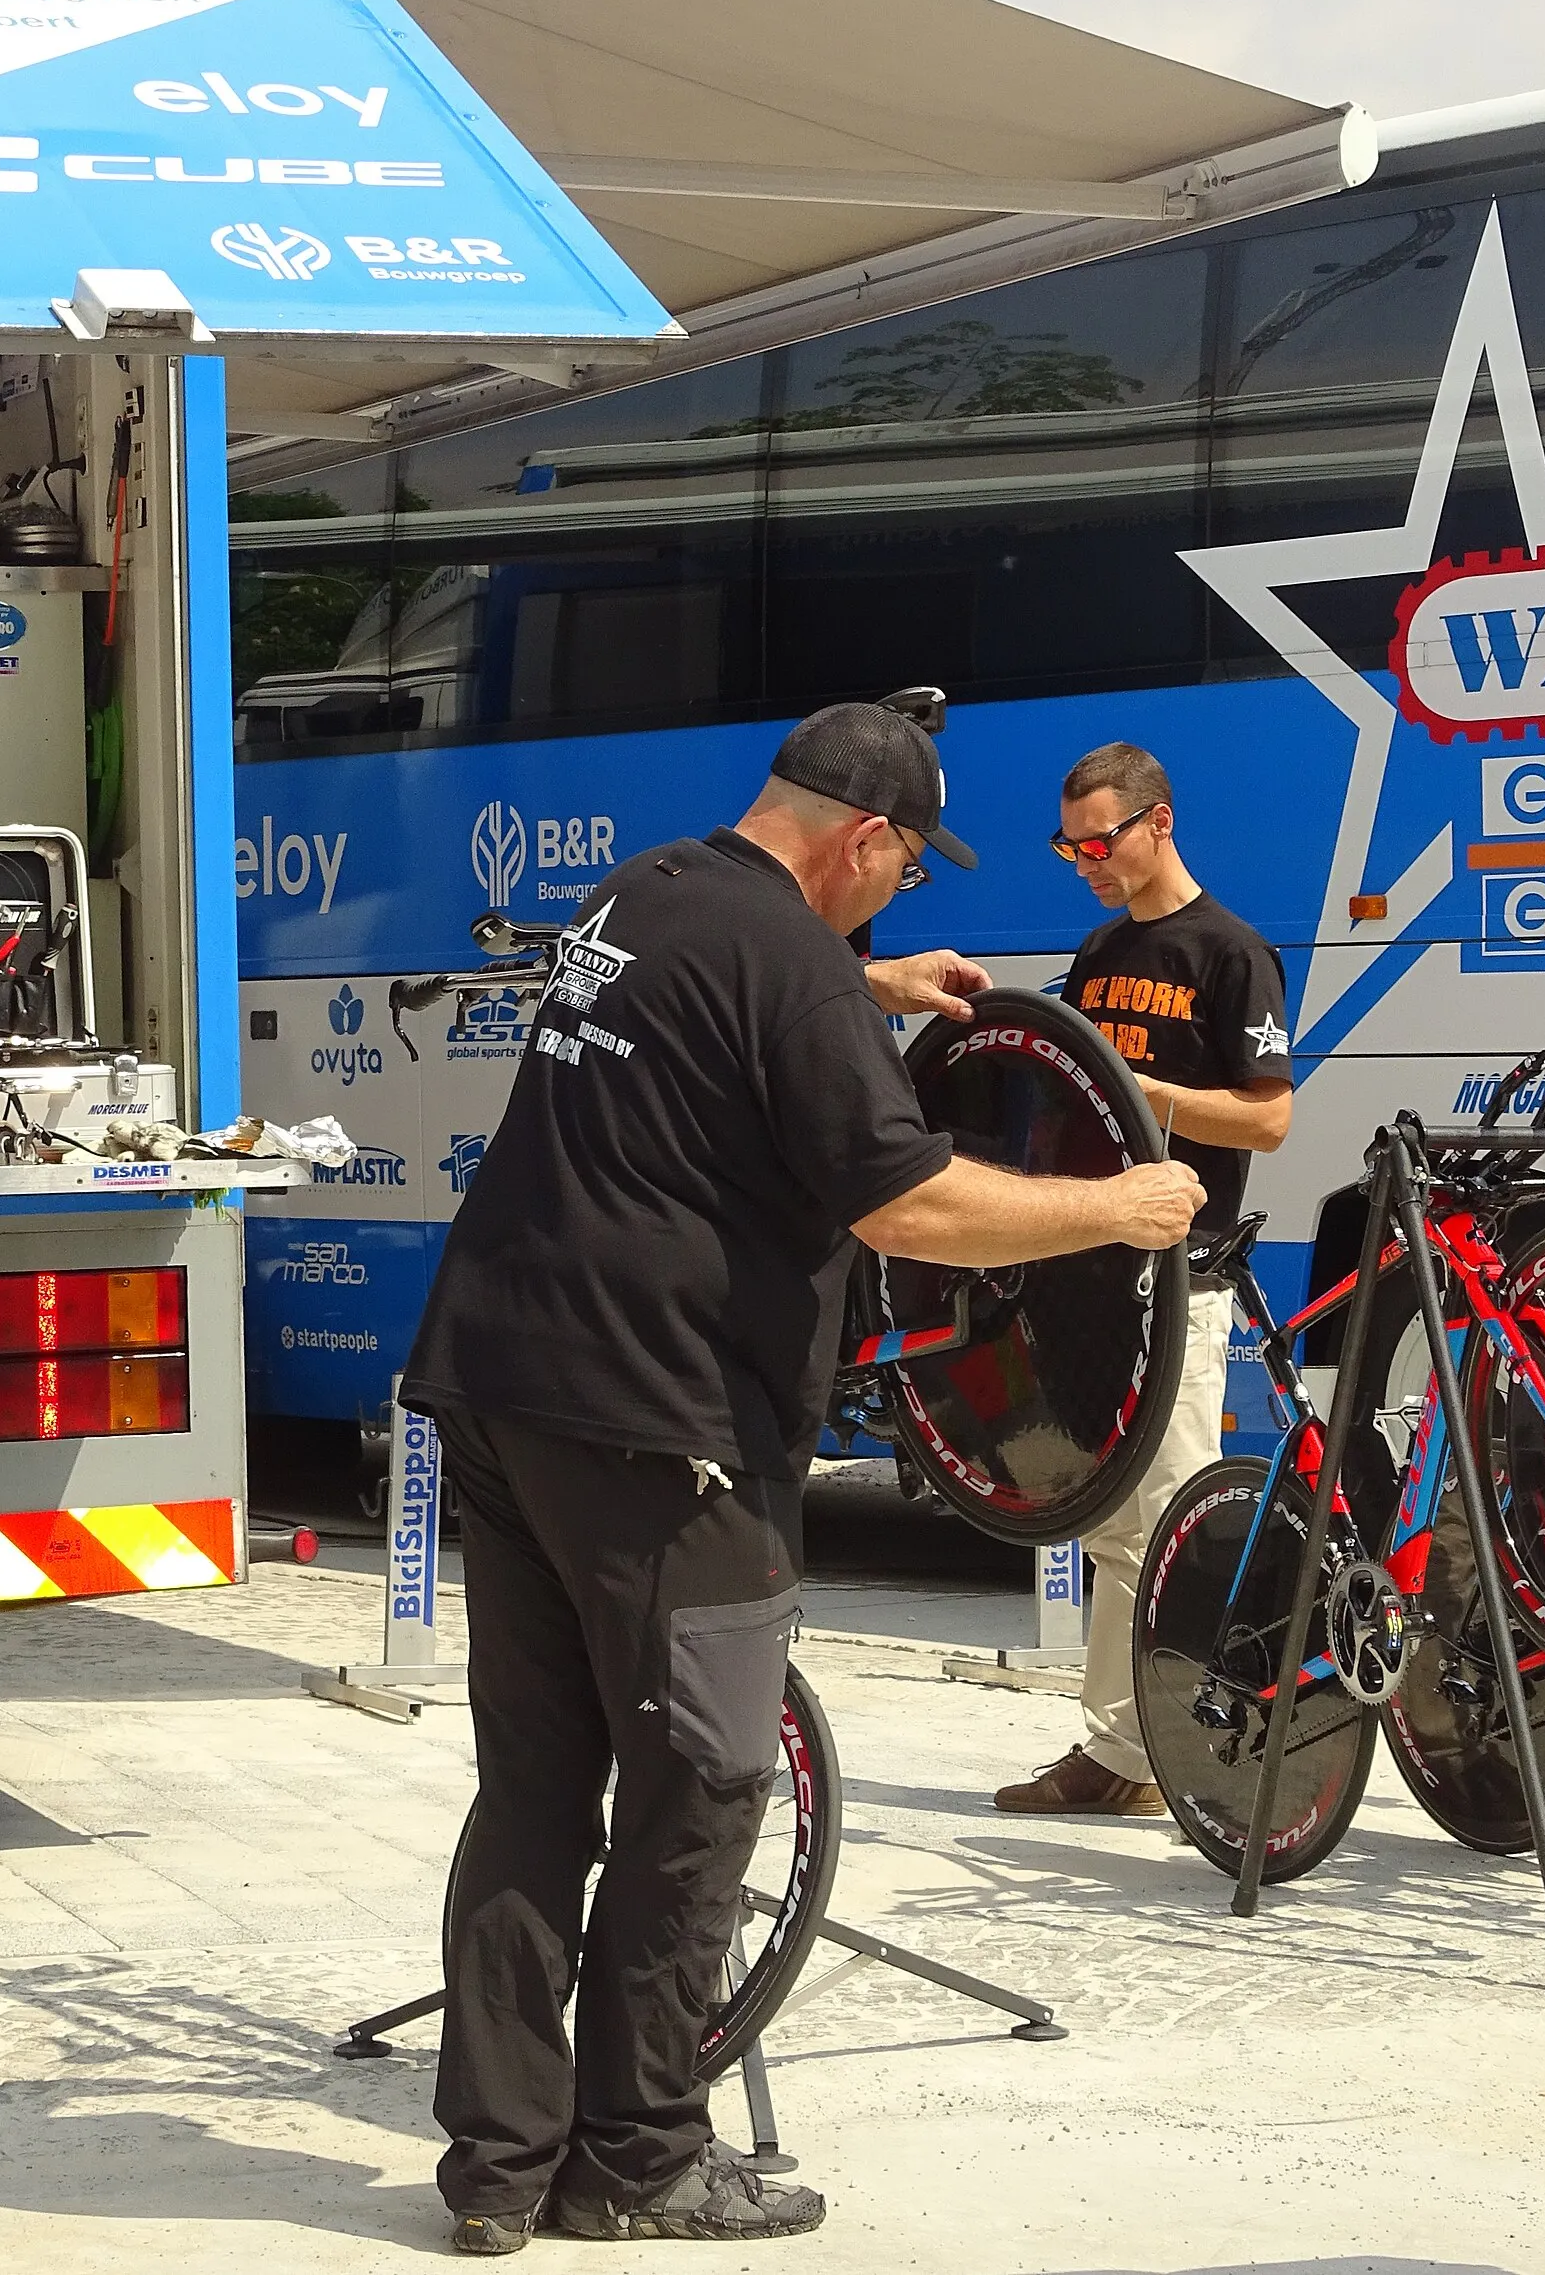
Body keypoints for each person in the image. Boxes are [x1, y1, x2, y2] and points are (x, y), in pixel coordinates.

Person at [401, 700, 1206, 2255]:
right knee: (702, 1785)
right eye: (902, 881)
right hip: (664, 1424)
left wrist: (870, 982)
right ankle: (635, 2153)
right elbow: (909, 1207)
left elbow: (744, 999)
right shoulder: (789, 964)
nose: (899, 906)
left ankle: (500, 2166)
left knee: (535, 1789)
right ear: (866, 838)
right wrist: (1114, 1206)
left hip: (501, 1386)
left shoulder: (646, 891)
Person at [993, 740, 1293, 1819]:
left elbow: (1266, 1114)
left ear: (1156, 822)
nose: (1080, 859)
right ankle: (1120, 1750)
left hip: (1179, 1276)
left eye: (1096, 838)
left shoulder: (1229, 951)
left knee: (1171, 1515)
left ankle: (1176, 1755)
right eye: (1065, 841)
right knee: (1112, 1521)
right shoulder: (1098, 947)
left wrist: (1144, 1089)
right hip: (1087, 1270)